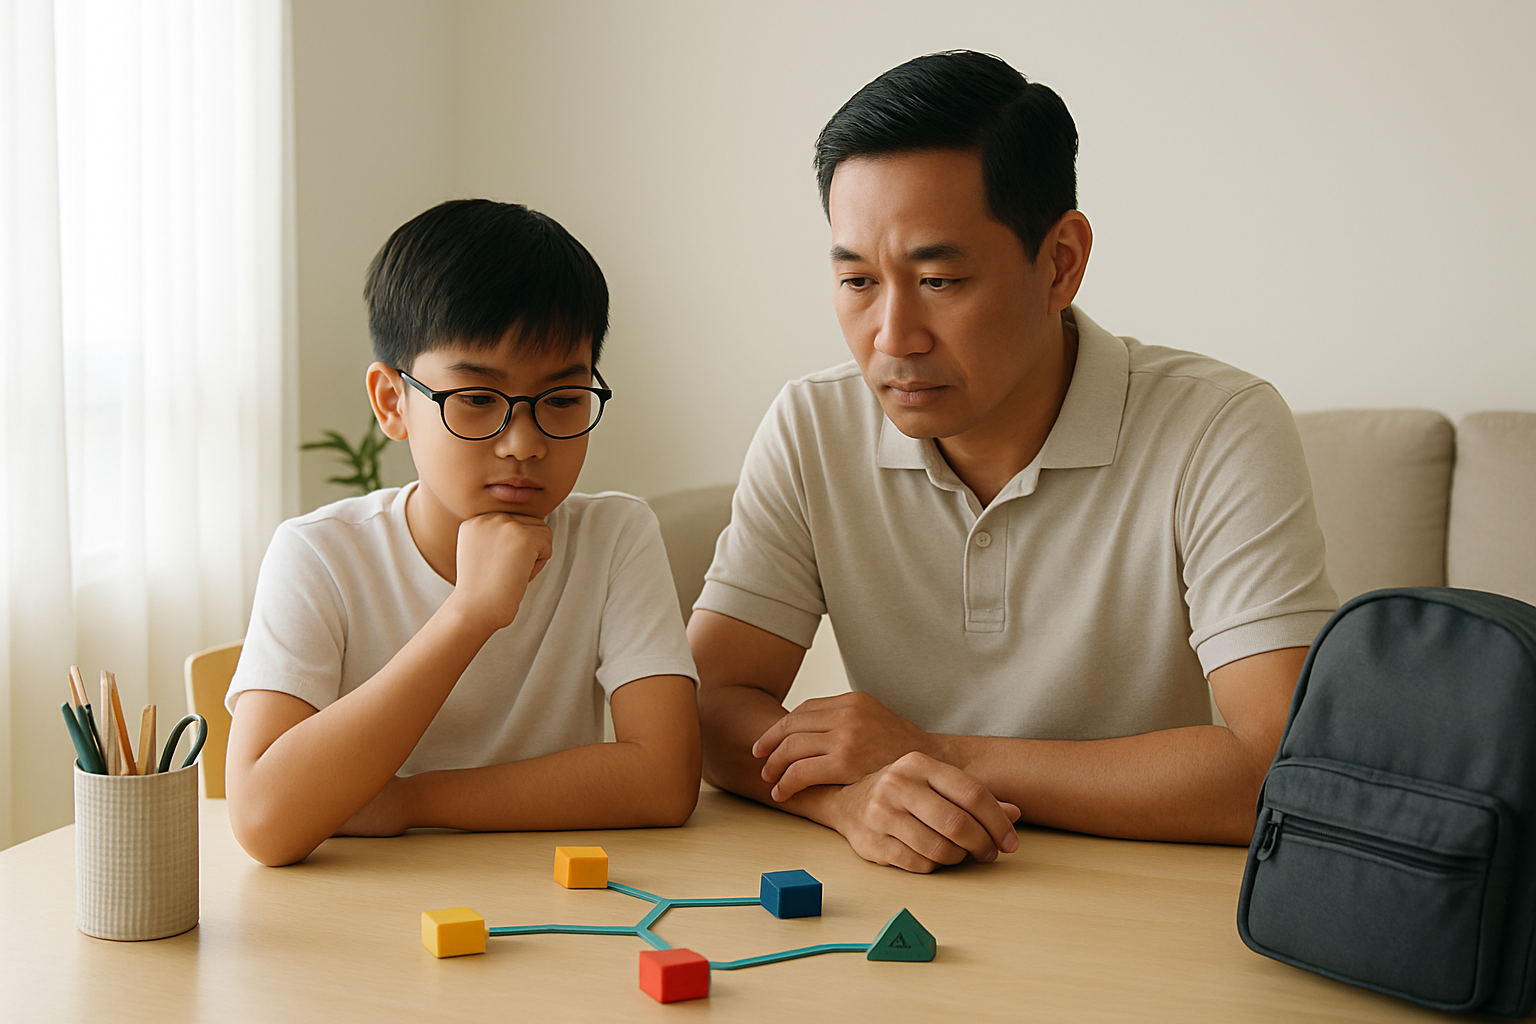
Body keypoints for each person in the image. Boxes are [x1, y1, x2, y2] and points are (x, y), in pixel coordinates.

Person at [689, 51, 1337, 873]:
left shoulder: (1218, 427)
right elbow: (705, 705)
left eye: (939, 278)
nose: (893, 339)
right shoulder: (813, 423)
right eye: (857, 280)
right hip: (908, 897)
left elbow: (1282, 767)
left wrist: (936, 755)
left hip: (1143, 898)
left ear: (1060, 261)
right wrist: (849, 802)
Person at [225, 199, 701, 866]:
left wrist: (411, 802)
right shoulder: (321, 553)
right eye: (478, 400)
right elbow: (262, 822)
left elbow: (663, 781)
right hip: (353, 926)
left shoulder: (614, 535)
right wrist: (470, 614)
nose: (524, 443)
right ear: (393, 402)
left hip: (557, 905)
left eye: (563, 400)